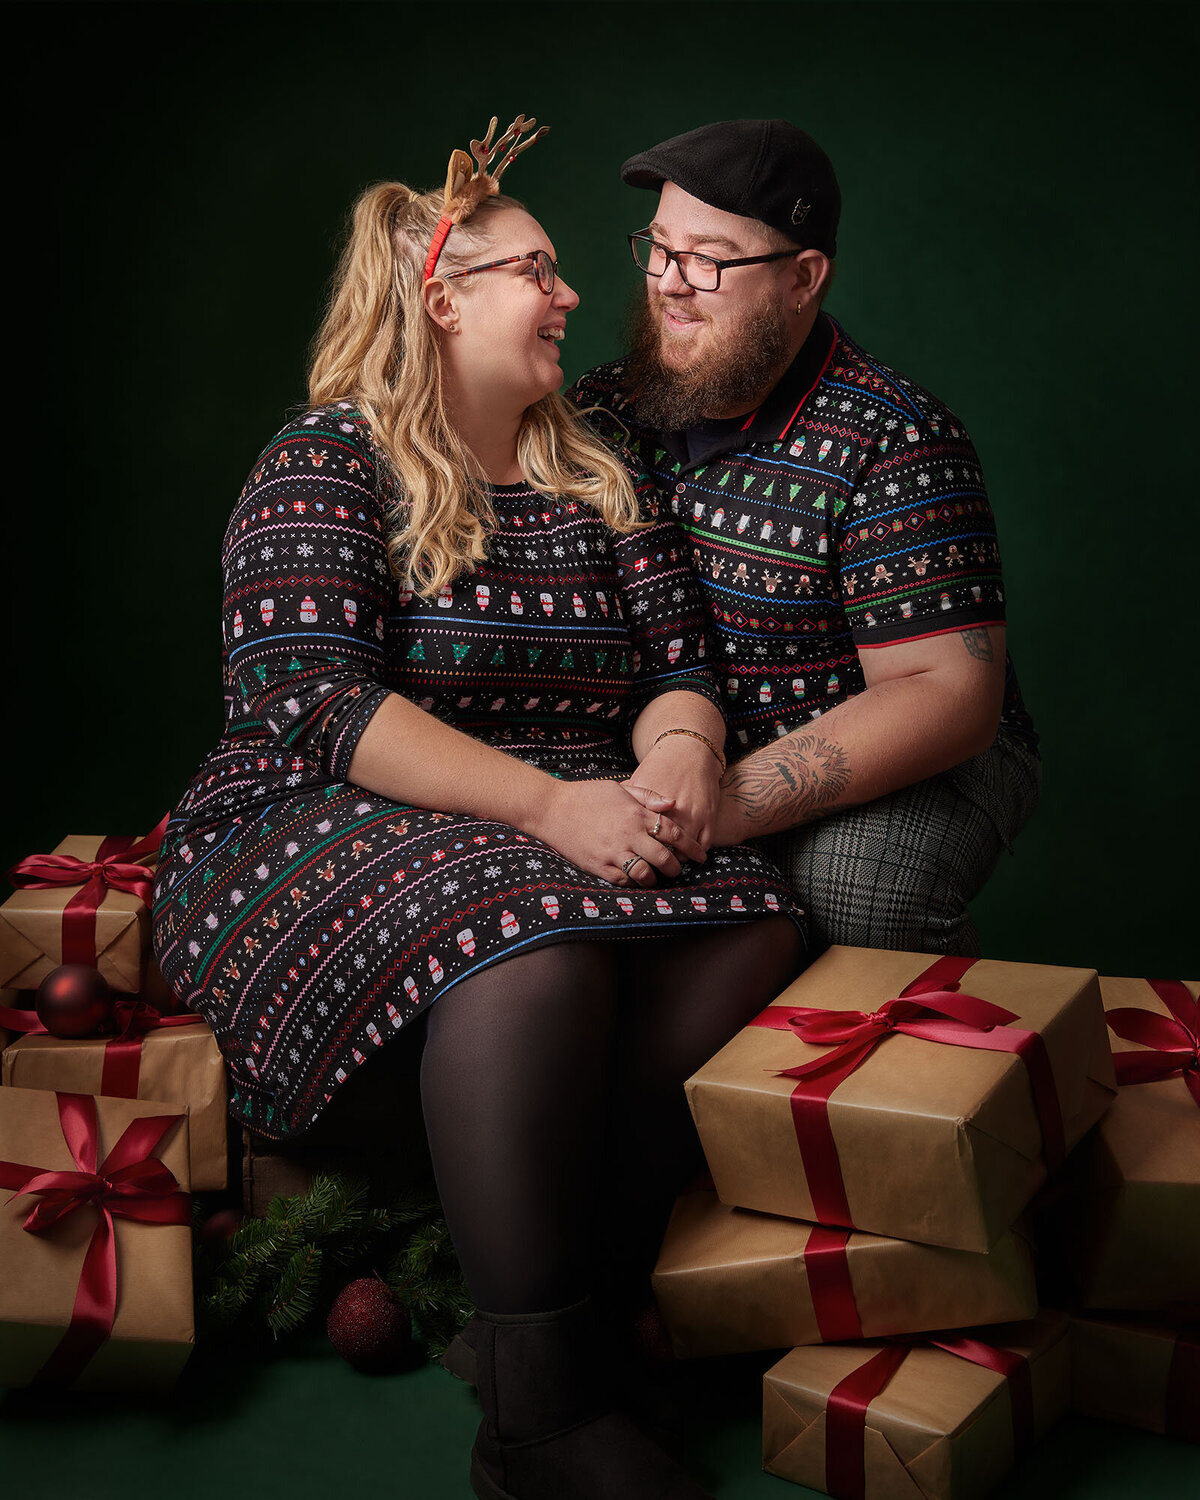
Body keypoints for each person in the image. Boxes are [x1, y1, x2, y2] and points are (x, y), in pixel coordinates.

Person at [151, 115, 804, 1500]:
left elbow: (680, 671)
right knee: (532, 940)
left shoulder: (595, 482)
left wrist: (683, 754)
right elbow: (319, 704)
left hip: (536, 830)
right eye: (539, 272)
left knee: (756, 920)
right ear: (440, 299)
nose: (575, 296)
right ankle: (538, 1415)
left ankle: (552, 1269)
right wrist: (554, 815)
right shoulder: (326, 459)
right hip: (311, 820)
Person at [572, 119, 1040, 958]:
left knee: (850, 890)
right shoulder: (600, 410)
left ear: (803, 278)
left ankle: (931, 1080)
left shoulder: (896, 439)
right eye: (659, 249)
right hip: (679, 744)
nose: (671, 284)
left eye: (709, 258)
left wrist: (725, 804)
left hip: (915, 752)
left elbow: (949, 697)